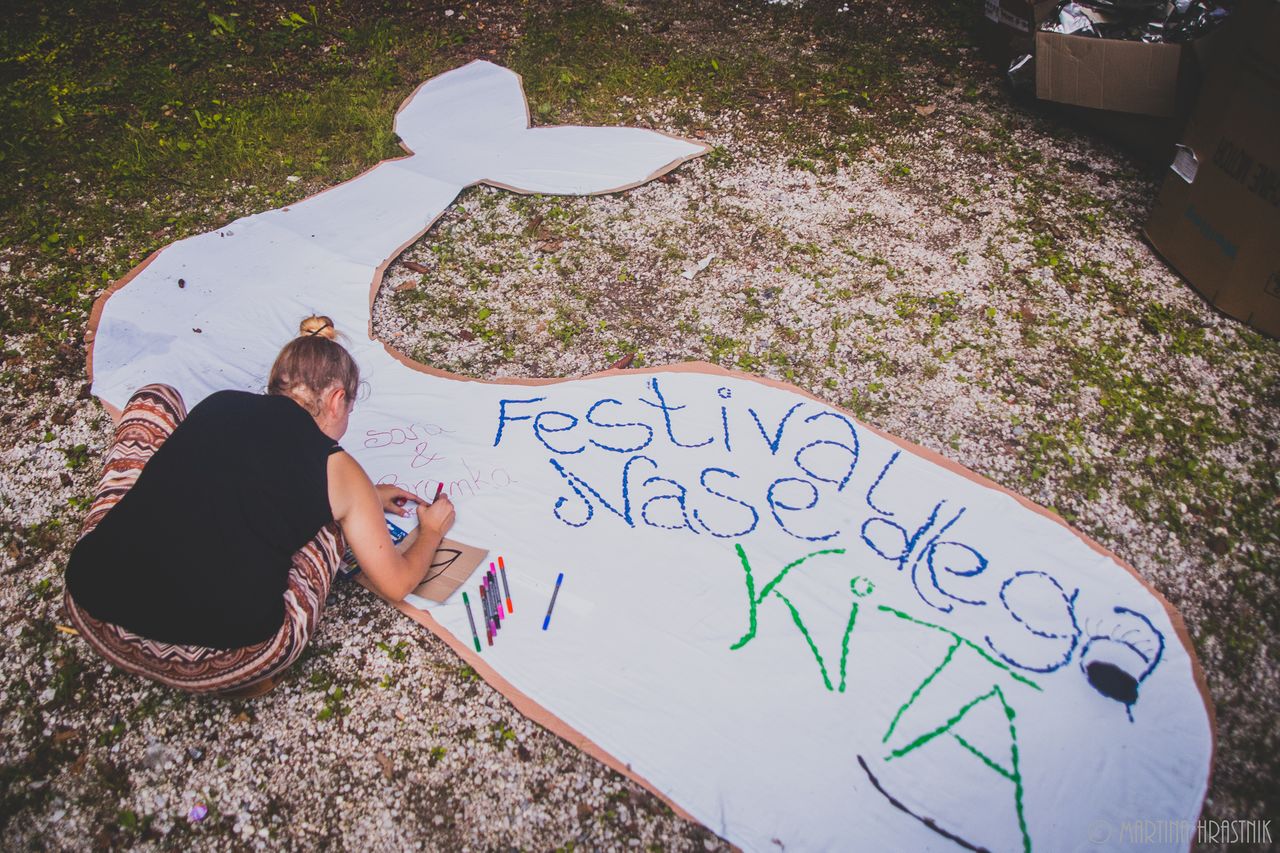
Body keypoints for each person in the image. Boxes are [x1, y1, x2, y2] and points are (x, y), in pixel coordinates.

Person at [64, 315, 454, 697]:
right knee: (333, 520)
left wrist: (368, 492)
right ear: (337, 400)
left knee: (158, 399)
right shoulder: (337, 470)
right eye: (349, 410)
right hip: (216, 657)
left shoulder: (218, 404)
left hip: (93, 612)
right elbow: (398, 583)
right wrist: (431, 530)